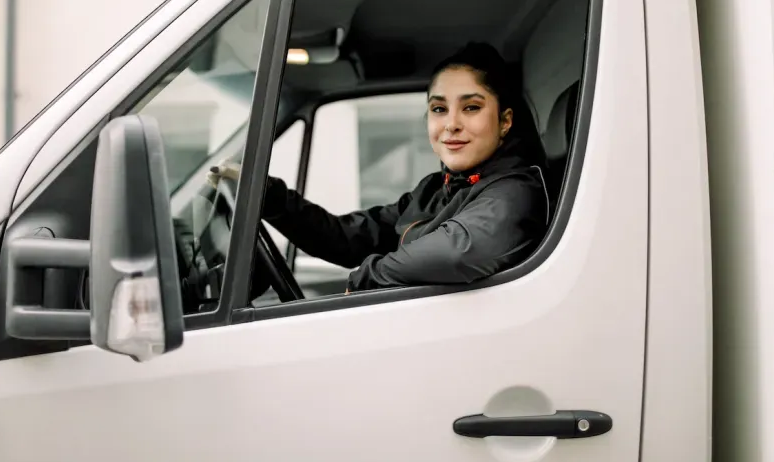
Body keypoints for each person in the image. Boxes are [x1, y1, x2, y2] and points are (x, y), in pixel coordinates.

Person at [209, 42, 551, 293]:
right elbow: (348, 239)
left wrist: (365, 279)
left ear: (505, 121)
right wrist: (271, 198)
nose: (451, 124)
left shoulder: (516, 190)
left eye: (471, 108)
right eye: (438, 109)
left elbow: (458, 251)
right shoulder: (437, 188)